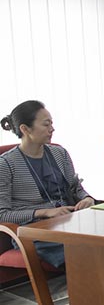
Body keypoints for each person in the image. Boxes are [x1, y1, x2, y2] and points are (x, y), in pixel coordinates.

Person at [0, 100, 95, 268]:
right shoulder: (6, 164)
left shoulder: (60, 153)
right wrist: (44, 212)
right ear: (25, 129)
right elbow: (3, 214)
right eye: (46, 124)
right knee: (87, 250)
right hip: (35, 231)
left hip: (69, 222)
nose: (52, 129)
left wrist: (87, 198)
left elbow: (76, 188)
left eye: (52, 123)